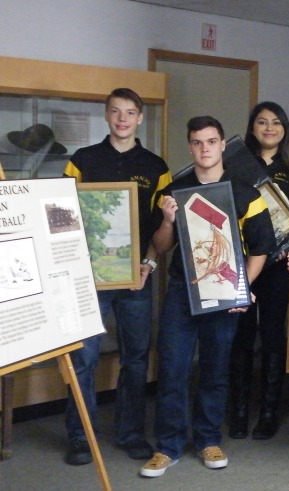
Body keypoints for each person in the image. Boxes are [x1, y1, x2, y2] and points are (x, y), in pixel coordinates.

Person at [139, 116, 275, 478]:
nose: (205, 149)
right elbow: (162, 247)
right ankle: (167, 447)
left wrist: (242, 288)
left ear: (221, 145)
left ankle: (208, 439)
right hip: (183, 291)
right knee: (173, 369)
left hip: (224, 292)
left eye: (211, 141)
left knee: (215, 370)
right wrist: (167, 221)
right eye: (198, 143)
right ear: (190, 146)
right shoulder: (173, 190)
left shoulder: (247, 192)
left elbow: (261, 248)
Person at [62, 88, 172, 466]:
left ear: (140, 117)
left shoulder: (157, 167)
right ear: (107, 116)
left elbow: (162, 230)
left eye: (130, 113)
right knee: (83, 359)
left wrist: (150, 265)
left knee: (137, 360)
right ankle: (81, 436)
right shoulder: (82, 160)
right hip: (89, 280)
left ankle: (130, 433)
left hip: (136, 280)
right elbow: (62, 216)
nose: (122, 119)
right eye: (115, 112)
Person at [227, 101, 289, 441]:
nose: (269, 128)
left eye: (276, 122)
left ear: (285, 128)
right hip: (243, 261)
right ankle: (239, 410)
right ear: (252, 127)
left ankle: (269, 411)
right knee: (240, 333)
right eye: (261, 122)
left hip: (280, 265)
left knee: (272, 335)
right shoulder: (236, 162)